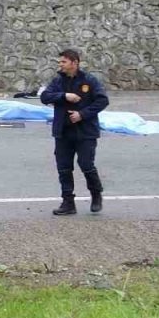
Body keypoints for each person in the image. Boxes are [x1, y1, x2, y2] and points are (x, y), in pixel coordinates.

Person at [40, 48, 109, 215]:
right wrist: (64, 96)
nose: (60, 65)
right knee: (64, 167)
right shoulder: (58, 81)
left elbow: (102, 100)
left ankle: (96, 193)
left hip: (85, 131)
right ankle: (68, 202)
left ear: (74, 63)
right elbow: (45, 97)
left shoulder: (89, 80)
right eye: (60, 62)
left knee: (86, 164)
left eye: (63, 62)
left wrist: (82, 114)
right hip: (63, 131)